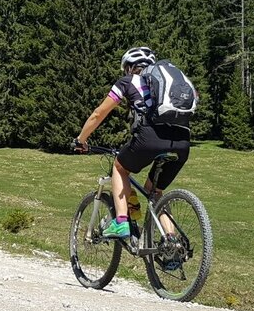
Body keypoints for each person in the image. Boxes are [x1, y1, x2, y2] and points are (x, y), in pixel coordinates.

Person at [72, 46, 191, 240]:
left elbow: (99, 113)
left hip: (150, 139)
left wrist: (81, 140)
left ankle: (120, 223)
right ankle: (172, 242)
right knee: (155, 192)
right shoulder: (168, 86)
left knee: (119, 167)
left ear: (129, 67)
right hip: (182, 142)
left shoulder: (128, 81)